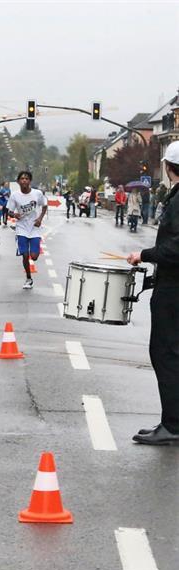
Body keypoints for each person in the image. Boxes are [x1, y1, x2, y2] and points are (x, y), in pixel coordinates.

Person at [126, 141, 179, 445]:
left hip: (173, 287)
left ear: (169, 168)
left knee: (165, 354)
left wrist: (143, 255)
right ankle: (171, 421)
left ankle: (172, 425)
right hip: (171, 283)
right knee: (171, 353)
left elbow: (175, 248)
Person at [6, 171, 47, 290]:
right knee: (25, 255)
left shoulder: (37, 194)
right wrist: (14, 215)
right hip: (21, 228)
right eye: (22, 179)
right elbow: (9, 211)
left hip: (34, 228)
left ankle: (32, 260)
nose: (24, 180)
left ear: (30, 181)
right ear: (18, 181)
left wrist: (40, 218)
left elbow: (44, 206)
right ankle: (29, 278)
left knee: (33, 256)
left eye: (27, 178)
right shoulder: (15, 195)